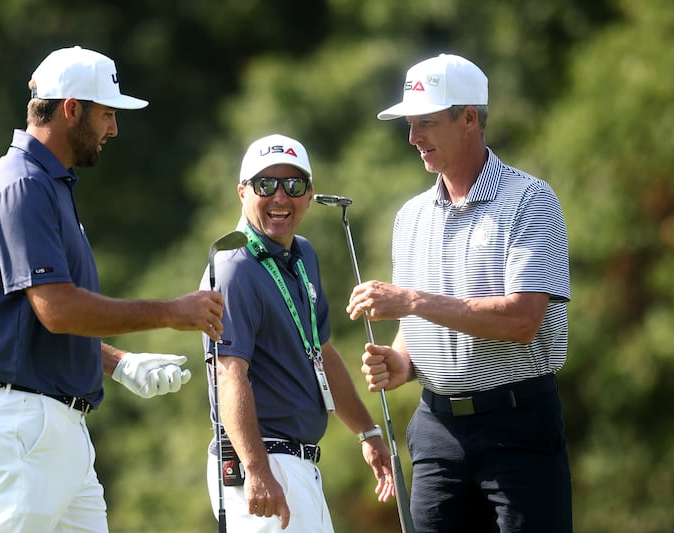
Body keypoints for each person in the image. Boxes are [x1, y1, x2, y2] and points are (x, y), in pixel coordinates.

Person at [0, 46, 226, 533]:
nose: (113, 129)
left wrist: (117, 364)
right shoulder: (24, 186)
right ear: (71, 108)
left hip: (55, 430)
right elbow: (57, 310)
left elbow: (36, 319)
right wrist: (170, 311)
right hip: (24, 429)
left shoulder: (50, 183)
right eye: (107, 114)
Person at [347, 53, 573, 532]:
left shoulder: (530, 201)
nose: (413, 138)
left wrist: (410, 300)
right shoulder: (409, 217)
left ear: (469, 118)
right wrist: (402, 362)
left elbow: (522, 321)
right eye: (410, 125)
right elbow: (417, 325)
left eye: (425, 123)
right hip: (437, 432)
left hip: (518, 425)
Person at [202, 133, 396, 532]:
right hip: (260, 462)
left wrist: (367, 431)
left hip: (299, 463)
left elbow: (320, 350)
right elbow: (229, 373)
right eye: (265, 185)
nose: (280, 198)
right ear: (242, 192)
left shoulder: (303, 254)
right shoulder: (233, 267)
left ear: (309, 195)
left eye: (293, 185)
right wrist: (256, 470)